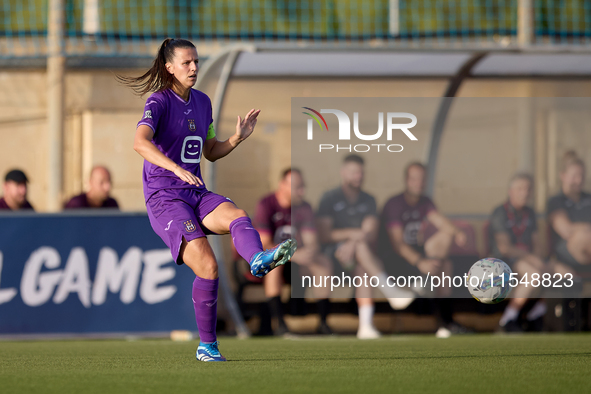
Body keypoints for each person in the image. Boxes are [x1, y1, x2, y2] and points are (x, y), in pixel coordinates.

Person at [121, 38, 296, 362]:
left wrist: (237, 138)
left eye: (197, 62)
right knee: (209, 266)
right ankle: (208, 346)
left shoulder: (203, 102)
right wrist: (173, 167)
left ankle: (257, 260)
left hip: (195, 191)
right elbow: (139, 142)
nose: (194, 68)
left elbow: (210, 151)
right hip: (165, 197)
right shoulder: (158, 102)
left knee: (237, 214)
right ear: (169, 67)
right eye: (186, 63)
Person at [317, 154, 415, 340]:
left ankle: (366, 327)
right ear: (343, 173)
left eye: (361, 172)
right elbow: (325, 235)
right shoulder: (329, 198)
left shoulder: (369, 199)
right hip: (333, 258)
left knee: (363, 267)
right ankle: (389, 290)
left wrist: (353, 241)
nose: (358, 176)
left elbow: (370, 232)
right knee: (361, 250)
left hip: (359, 256)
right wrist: (353, 235)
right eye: (354, 172)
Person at [381, 162, 467, 338]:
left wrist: (458, 233)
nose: (419, 183)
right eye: (414, 179)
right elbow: (398, 244)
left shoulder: (425, 202)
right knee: (442, 267)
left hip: (418, 255)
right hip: (395, 261)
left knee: (446, 263)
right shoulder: (394, 204)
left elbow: (440, 222)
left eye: (422, 179)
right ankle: (444, 318)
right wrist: (420, 263)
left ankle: (445, 324)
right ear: (406, 180)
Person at [254, 168, 332, 335]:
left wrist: (310, 252)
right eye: (297, 187)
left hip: (297, 262)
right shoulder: (266, 204)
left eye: (303, 186)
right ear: (282, 185)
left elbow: (311, 241)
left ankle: (323, 323)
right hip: (269, 261)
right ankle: (280, 325)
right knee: (275, 266)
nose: (302, 191)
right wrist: (292, 255)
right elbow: (265, 243)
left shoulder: (304, 208)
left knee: (323, 264)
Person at [489, 173, 547, 331]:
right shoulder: (500, 212)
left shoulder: (530, 213)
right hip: (504, 261)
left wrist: (538, 258)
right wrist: (532, 258)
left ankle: (536, 314)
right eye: (520, 188)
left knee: (559, 271)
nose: (525, 193)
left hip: (527, 260)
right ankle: (508, 319)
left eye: (528, 189)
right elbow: (505, 248)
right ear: (511, 191)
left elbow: (537, 243)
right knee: (533, 274)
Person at [547, 151, 591, 275]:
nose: (579, 180)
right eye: (574, 176)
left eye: (582, 175)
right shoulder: (556, 201)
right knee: (583, 236)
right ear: (563, 176)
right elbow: (566, 230)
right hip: (567, 254)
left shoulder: (588, 199)